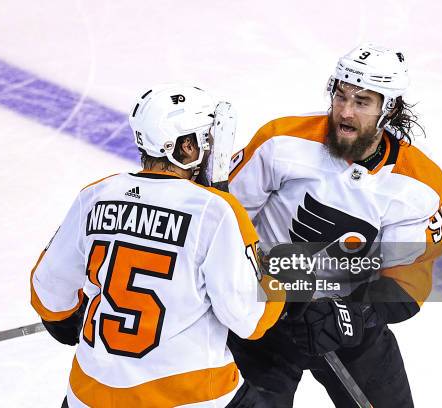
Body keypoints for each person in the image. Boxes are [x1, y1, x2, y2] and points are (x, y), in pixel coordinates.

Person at [30, 84, 286, 408]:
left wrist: (69, 321)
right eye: (206, 139)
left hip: (89, 397)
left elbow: (47, 291)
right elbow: (251, 319)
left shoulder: (96, 196)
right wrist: (274, 273)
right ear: (187, 148)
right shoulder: (215, 210)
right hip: (189, 399)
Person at [227, 43, 442, 407]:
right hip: (264, 313)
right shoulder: (281, 142)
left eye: (361, 102)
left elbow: (407, 284)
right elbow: (224, 223)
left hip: (351, 323)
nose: (344, 111)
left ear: (388, 109)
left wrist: (352, 312)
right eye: (340, 95)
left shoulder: (417, 185)